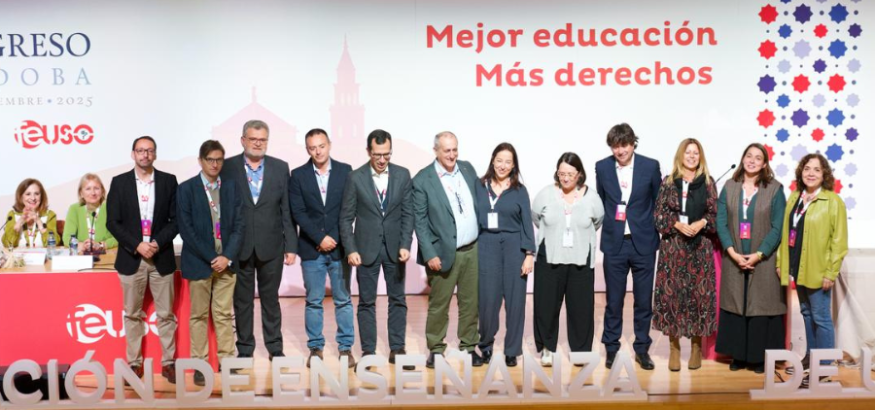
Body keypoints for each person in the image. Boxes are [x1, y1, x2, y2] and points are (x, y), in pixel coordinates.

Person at [220, 120, 297, 364]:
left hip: (271, 246)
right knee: (242, 302)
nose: (257, 143)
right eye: (253, 139)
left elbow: (287, 209)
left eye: (262, 139)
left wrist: (291, 246)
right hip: (238, 247)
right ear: (243, 140)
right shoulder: (228, 167)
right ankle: (245, 349)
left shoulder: (280, 167)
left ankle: (275, 348)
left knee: (270, 300)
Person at [339, 129, 414, 369]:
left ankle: (397, 348)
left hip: (395, 249)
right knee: (367, 302)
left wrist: (405, 244)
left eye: (387, 154)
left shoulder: (403, 175)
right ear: (368, 152)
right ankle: (369, 352)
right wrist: (350, 249)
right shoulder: (355, 177)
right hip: (365, 250)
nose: (382, 160)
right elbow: (345, 218)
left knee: (398, 300)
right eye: (377, 155)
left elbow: (408, 214)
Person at [106, 136, 179, 383]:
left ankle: (169, 363)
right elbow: (112, 222)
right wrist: (137, 244)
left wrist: (156, 243)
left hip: (161, 257)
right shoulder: (119, 183)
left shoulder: (169, 181)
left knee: (166, 314)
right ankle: (134, 364)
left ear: (155, 154)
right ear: (132, 154)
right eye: (140, 150)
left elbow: (176, 220)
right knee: (132, 314)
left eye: (149, 151)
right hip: (131, 257)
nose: (145, 155)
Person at [413, 131, 483, 369]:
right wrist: (430, 253)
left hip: (472, 250)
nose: (452, 155)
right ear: (436, 151)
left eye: (454, 149)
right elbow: (420, 222)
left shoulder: (467, 168)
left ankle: (469, 345)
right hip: (441, 254)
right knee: (439, 304)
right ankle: (435, 348)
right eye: (446, 150)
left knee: (470, 302)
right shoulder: (423, 179)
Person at [177, 140, 244, 386]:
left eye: (218, 160)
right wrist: (211, 257)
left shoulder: (231, 188)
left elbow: (239, 225)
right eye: (210, 160)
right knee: (198, 315)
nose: (215, 164)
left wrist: (226, 256)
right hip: (199, 262)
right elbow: (187, 230)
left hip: (227, 263)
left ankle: (227, 361)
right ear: (200, 161)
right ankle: (200, 364)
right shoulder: (186, 189)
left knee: (224, 314)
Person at [595, 123, 662, 370]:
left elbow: (657, 201)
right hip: (614, 243)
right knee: (614, 300)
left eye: (623, 145)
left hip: (643, 242)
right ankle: (611, 348)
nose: (619, 150)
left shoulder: (650, 166)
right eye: (615, 146)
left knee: (644, 300)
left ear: (633, 143)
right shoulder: (602, 167)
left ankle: (642, 348)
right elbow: (602, 201)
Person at [715, 143, 786, 374]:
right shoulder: (729, 186)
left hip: (763, 259)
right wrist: (732, 252)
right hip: (733, 257)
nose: (752, 160)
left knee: (761, 305)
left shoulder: (774, 189)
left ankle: (758, 358)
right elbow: (721, 222)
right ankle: (738, 355)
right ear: (743, 158)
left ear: (765, 163)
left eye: (758, 158)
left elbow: (778, 227)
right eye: (749, 156)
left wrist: (758, 255)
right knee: (736, 302)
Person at [777, 153, 848, 386]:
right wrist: (782, 262)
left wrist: (831, 272)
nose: (811, 173)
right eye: (807, 168)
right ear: (801, 172)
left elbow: (839, 241)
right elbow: (786, 234)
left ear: (824, 174)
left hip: (819, 271)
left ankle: (825, 370)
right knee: (807, 314)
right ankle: (811, 357)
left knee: (821, 318)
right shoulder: (795, 198)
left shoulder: (832, 201)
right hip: (799, 268)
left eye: (817, 170)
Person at [289, 128, 355, 368]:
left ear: (329, 145)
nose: (317, 151)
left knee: (343, 300)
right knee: (314, 301)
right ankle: (315, 348)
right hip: (311, 249)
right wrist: (319, 237)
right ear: (307, 149)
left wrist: (334, 238)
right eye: (312, 147)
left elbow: (349, 209)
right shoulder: (298, 175)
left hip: (340, 248)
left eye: (321, 146)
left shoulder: (346, 171)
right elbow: (298, 212)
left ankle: (346, 348)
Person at [532, 152, 605, 367]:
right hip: (550, 258)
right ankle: (547, 348)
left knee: (581, 308)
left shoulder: (592, 197)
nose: (565, 178)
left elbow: (598, 220)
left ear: (579, 174)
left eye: (570, 174)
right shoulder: (545, 194)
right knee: (546, 306)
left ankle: (580, 351)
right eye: (561, 173)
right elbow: (536, 217)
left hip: (581, 260)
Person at [652, 138, 718, 371]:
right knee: (673, 297)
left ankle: (697, 347)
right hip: (673, 249)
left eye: (695, 153)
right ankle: (674, 347)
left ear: (700, 156)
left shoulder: (708, 183)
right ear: (680, 155)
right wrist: (677, 225)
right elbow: (658, 215)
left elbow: (715, 214)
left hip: (699, 248)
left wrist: (701, 223)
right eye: (687, 152)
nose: (691, 156)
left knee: (698, 298)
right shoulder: (668, 182)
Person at [474, 142, 535, 367]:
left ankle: (512, 350)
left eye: (508, 162)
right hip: (486, 244)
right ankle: (486, 345)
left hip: (514, 246)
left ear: (514, 165)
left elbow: (527, 224)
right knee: (487, 300)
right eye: (499, 160)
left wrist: (529, 254)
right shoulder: (479, 186)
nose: (503, 165)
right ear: (492, 160)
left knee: (515, 301)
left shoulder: (520, 190)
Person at [63, 173, 117, 253]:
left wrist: (101, 245)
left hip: (106, 255)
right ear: (81, 193)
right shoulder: (74, 209)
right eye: (88, 189)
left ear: (102, 191)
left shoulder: (111, 208)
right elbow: (67, 238)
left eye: (96, 188)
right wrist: (80, 245)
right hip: (82, 256)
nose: (93, 193)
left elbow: (119, 237)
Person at [3, 179, 57, 249]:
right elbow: (7, 243)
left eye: (37, 194)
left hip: (43, 258)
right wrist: (20, 221)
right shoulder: (12, 214)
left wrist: (38, 222)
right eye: (28, 194)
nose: (33, 198)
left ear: (41, 196)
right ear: (21, 196)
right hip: (20, 259)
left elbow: (54, 243)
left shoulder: (50, 215)